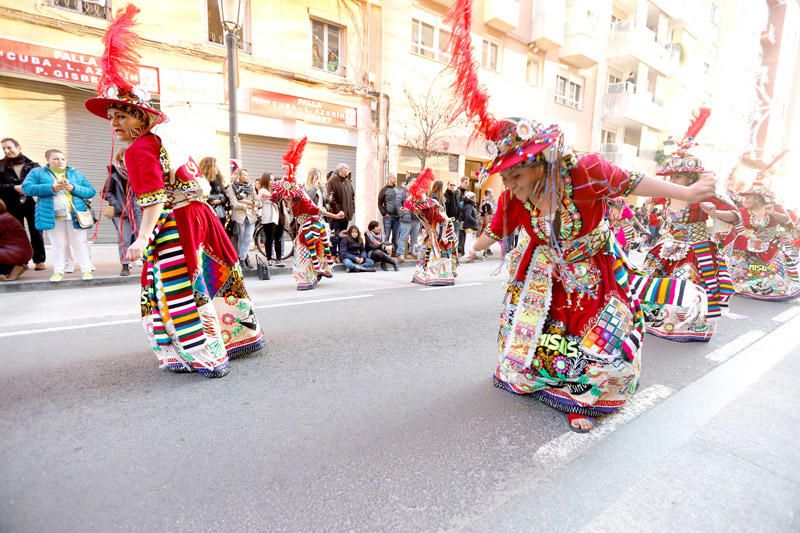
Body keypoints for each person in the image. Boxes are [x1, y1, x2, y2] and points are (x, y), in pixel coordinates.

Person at [446, 0, 714, 432]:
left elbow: (634, 182)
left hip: (593, 272)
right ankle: (536, 380)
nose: (509, 183)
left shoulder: (585, 171)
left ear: (542, 162)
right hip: (540, 276)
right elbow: (496, 231)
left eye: (517, 173)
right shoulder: (515, 198)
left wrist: (685, 191)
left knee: (597, 339)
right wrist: (466, 251)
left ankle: (585, 400)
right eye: (505, 176)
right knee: (535, 337)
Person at [84, 5, 264, 377]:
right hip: (199, 216)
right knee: (213, 274)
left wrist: (142, 238)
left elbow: (153, 199)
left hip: (175, 223)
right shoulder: (165, 140)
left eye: (122, 115)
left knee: (177, 289)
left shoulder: (139, 149)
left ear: (141, 117)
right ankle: (236, 337)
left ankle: (204, 354)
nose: (115, 123)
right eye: (112, 117)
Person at [642, 108, 741, 342]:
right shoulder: (665, 194)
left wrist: (715, 211)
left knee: (687, 284)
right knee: (650, 279)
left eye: (677, 177)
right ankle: (652, 318)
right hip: (667, 247)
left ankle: (685, 325)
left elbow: (736, 217)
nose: (672, 181)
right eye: (671, 177)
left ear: (690, 178)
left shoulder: (703, 195)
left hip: (695, 250)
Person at [272, 137, 345, 290]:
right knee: (302, 252)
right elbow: (274, 197)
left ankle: (310, 277)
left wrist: (336, 216)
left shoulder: (303, 199)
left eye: (288, 195)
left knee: (304, 251)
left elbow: (318, 210)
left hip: (313, 225)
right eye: (284, 195)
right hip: (303, 227)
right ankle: (313, 274)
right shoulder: (286, 198)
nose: (286, 197)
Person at [721, 172, 800, 301]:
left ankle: (766, 289)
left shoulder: (775, 207)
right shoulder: (742, 211)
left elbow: (787, 222)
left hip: (770, 248)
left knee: (773, 275)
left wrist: (773, 213)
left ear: (758, 198)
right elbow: (733, 222)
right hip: (744, 249)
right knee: (739, 269)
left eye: (748, 198)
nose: (744, 200)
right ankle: (742, 286)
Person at [22, 149, 95, 282]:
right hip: (51, 215)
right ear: (48, 160)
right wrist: (51, 187)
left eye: (62, 159)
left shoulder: (74, 173)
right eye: (55, 159)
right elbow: (27, 188)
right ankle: (58, 271)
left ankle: (86, 270)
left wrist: (73, 188)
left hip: (75, 214)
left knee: (79, 243)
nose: (60, 161)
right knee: (58, 245)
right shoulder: (37, 172)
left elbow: (90, 191)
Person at [405, 169, 458, 285]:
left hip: (442, 229)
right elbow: (424, 222)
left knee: (439, 250)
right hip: (432, 230)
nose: (416, 209)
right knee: (425, 250)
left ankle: (440, 274)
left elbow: (443, 221)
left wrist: (443, 235)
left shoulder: (431, 207)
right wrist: (428, 231)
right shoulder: (418, 208)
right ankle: (422, 273)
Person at [0, 138, 45, 270]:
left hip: (32, 202)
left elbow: (42, 183)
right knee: (18, 234)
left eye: (9, 147)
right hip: (10, 204)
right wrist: (13, 187)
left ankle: (39, 260)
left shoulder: (34, 165)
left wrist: (28, 188)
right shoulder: (0, 165)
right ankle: (21, 261)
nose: (7, 151)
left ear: (19, 148)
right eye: (4, 149)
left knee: (36, 231)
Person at [103, 148, 142, 276]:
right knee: (124, 239)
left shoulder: (140, 172)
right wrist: (118, 205)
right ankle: (125, 265)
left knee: (142, 237)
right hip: (121, 212)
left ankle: (147, 262)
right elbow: (105, 192)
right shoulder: (114, 174)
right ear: (120, 158)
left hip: (139, 210)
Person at [226, 167, 261, 270]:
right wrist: (247, 206)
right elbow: (234, 204)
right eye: (244, 175)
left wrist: (248, 202)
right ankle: (243, 260)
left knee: (248, 238)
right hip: (239, 217)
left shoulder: (251, 187)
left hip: (251, 216)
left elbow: (258, 202)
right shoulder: (231, 187)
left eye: (247, 175)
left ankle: (242, 259)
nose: (247, 177)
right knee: (241, 239)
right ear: (238, 176)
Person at [0, 198, 33, 281]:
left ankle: (15, 267)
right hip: (16, 252)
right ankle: (13, 268)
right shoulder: (5, 216)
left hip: (15, 253)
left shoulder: (2, 219)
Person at [257, 173, 285, 267]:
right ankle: (269, 259)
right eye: (271, 180)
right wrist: (275, 194)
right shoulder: (262, 191)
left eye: (273, 179)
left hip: (279, 216)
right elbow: (266, 198)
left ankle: (279, 259)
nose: (273, 181)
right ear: (266, 180)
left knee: (279, 238)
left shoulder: (276, 190)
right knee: (269, 238)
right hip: (269, 217)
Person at [327, 162, 355, 255]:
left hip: (346, 215)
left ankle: (341, 254)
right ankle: (333, 255)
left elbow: (352, 196)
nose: (348, 170)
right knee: (335, 236)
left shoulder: (347, 181)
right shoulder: (332, 180)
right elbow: (331, 199)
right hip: (336, 215)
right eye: (346, 168)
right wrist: (338, 211)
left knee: (343, 235)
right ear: (341, 170)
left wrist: (352, 209)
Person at [199, 156, 231, 231]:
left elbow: (225, 195)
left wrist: (220, 200)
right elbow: (201, 197)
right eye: (215, 166)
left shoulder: (218, 180)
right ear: (208, 167)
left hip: (220, 213)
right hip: (208, 213)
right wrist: (214, 198)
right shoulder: (201, 181)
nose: (217, 168)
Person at [378, 174, 401, 253]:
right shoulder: (384, 190)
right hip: (388, 217)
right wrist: (384, 213)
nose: (395, 179)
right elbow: (379, 203)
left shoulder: (398, 189)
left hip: (397, 217)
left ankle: (395, 252)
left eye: (395, 177)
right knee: (387, 236)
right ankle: (386, 252)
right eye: (393, 177)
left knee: (396, 236)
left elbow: (401, 201)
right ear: (389, 179)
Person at [460, 191, 480, 260]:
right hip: (469, 226)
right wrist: (475, 222)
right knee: (468, 240)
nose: (475, 198)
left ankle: (470, 254)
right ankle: (467, 254)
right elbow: (468, 216)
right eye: (474, 197)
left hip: (471, 226)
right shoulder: (469, 206)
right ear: (471, 198)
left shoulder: (471, 205)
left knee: (470, 240)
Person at [457, 176, 470, 255]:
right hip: (459, 217)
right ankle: (459, 249)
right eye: (465, 182)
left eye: (468, 182)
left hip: (465, 216)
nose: (467, 184)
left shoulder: (466, 192)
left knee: (463, 234)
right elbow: (458, 204)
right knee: (460, 234)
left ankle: (462, 249)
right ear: (461, 182)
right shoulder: (458, 191)